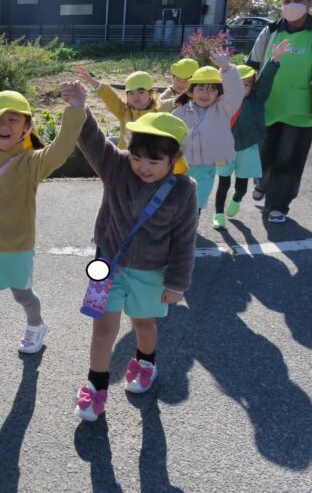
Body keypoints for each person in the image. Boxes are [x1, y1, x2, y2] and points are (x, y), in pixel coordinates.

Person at [0, 28, 86, 397]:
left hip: (15, 248)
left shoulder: (32, 162)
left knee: (22, 295)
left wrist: (76, 109)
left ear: (27, 127)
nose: (3, 125)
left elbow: (61, 149)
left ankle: (36, 324)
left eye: (13, 120)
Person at [72, 110, 198, 420]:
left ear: (175, 158)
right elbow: (93, 141)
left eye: (154, 161)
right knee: (103, 328)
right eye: (137, 157)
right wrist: (79, 109)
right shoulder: (117, 168)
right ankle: (96, 388)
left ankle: (145, 362)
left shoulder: (183, 190)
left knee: (143, 324)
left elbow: (184, 240)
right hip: (108, 264)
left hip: (151, 273)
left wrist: (177, 283)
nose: (143, 167)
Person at [246, 0, 312, 223]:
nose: (292, 5)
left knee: (289, 158)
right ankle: (262, 183)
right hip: (268, 105)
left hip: (301, 109)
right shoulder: (270, 31)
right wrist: (239, 99)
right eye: (287, 1)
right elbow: (250, 67)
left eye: (298, 0)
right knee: (264, 153)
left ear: (309, 3)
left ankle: (278, 205)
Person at [213, 40, 290, 229]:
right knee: (223, 183)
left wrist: (275, 59)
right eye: (237, 84)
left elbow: (266, 79)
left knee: (241, 186)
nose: (242, 88)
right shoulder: (223, 100)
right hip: (225, 149)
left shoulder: (257, 98)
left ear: (253, 86)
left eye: (246, 84)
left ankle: (237, 199)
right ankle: (218, 214)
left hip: (247, 148)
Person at [172, 53, 244, 212]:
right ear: (191, 91)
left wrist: (226, 68)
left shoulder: (222, 109)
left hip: (206, 168)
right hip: (181, 165)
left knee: (196, 203)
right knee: (176, 202)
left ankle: (193, 220)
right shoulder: (180, 112)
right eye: (201, 88)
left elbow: (236, 93)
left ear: (219, 93)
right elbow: (169, 136)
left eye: (212, 89)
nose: (205, 94)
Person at [78, 68, 160, 149]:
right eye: (131, 93)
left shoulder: (158, 113)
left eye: (141, 92)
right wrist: (90, 80)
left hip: (148, 156)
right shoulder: (124, 111)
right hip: (125, 155)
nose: (135, 97)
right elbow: (109, 96)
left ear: (150, 93)